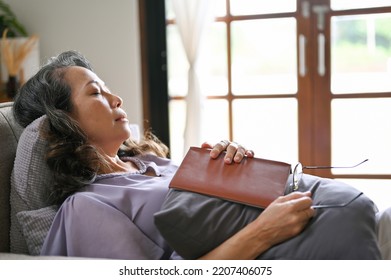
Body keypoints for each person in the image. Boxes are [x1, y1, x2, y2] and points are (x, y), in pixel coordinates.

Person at [12, 50, 317, 259]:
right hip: (290, 236)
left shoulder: (152, 163)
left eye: (107, 89)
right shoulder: (85, 209)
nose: (117, 99)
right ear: (64, 121)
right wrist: (262, 233)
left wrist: (233, 168)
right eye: (95, 93)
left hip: (304, 208)